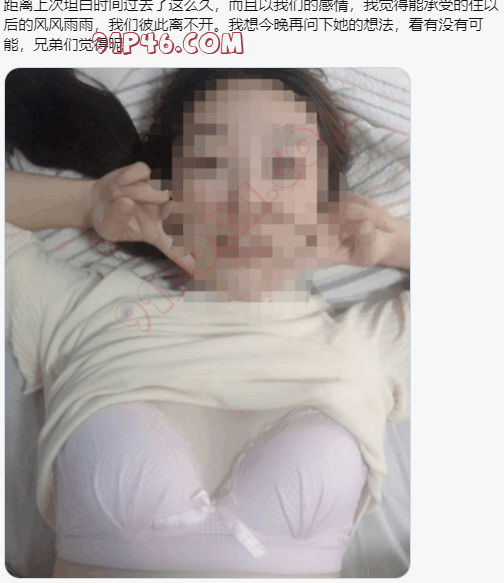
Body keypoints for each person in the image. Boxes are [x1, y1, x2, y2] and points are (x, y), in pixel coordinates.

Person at [5, 68, 410, 578]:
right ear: (170, 192)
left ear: (328, 202)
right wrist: (89, 205)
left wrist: (394, 243)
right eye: (213, 162)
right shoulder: (81, 314)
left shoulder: (367, 345)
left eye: (284, 165)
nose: (248, 197)